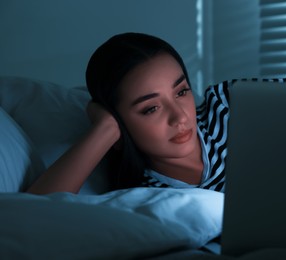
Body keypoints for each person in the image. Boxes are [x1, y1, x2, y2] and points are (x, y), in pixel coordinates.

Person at [27, 32, 231, 194]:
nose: (180, 117)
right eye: (151, 108)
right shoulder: (144, 198)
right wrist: (105, 129)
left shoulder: (229, 103)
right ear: (120, 121)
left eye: (181, 91)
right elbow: (30, 216)